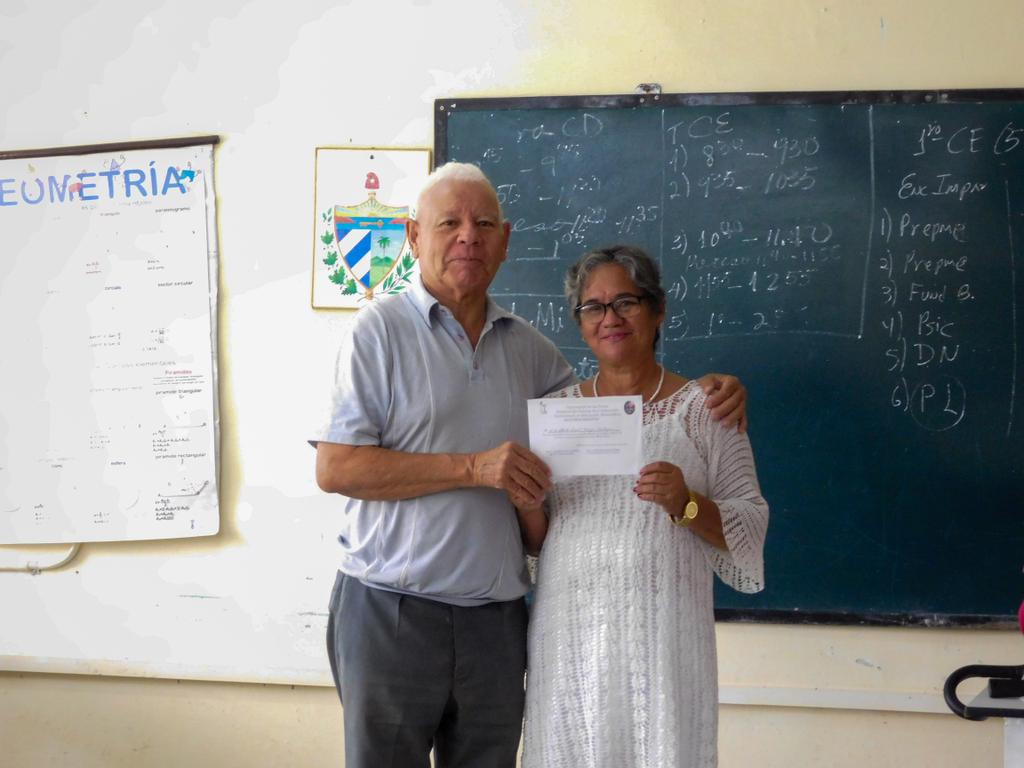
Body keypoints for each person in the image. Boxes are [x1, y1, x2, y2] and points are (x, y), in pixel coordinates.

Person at [312, 163, 749, 768]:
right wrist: (473, 469)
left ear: (505, 240)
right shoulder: (377, 333)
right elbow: (336, 469)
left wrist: (717, 389)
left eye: (484, 224)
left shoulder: (533, 353)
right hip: (393, 611)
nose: (468, 237)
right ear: (413, 236)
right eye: (449, 223)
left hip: (497, 625)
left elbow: (610, 408)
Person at [518, 244, 769, 768]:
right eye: (593, 306)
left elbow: (748, 525)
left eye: (626, 302)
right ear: (580, 321)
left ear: (658, 311)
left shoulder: (705, 410)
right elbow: (539, 543)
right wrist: (526, 504)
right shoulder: (556, 416)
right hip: (569, 640)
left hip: (663, 646)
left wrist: (687, 504)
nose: (609, 318)